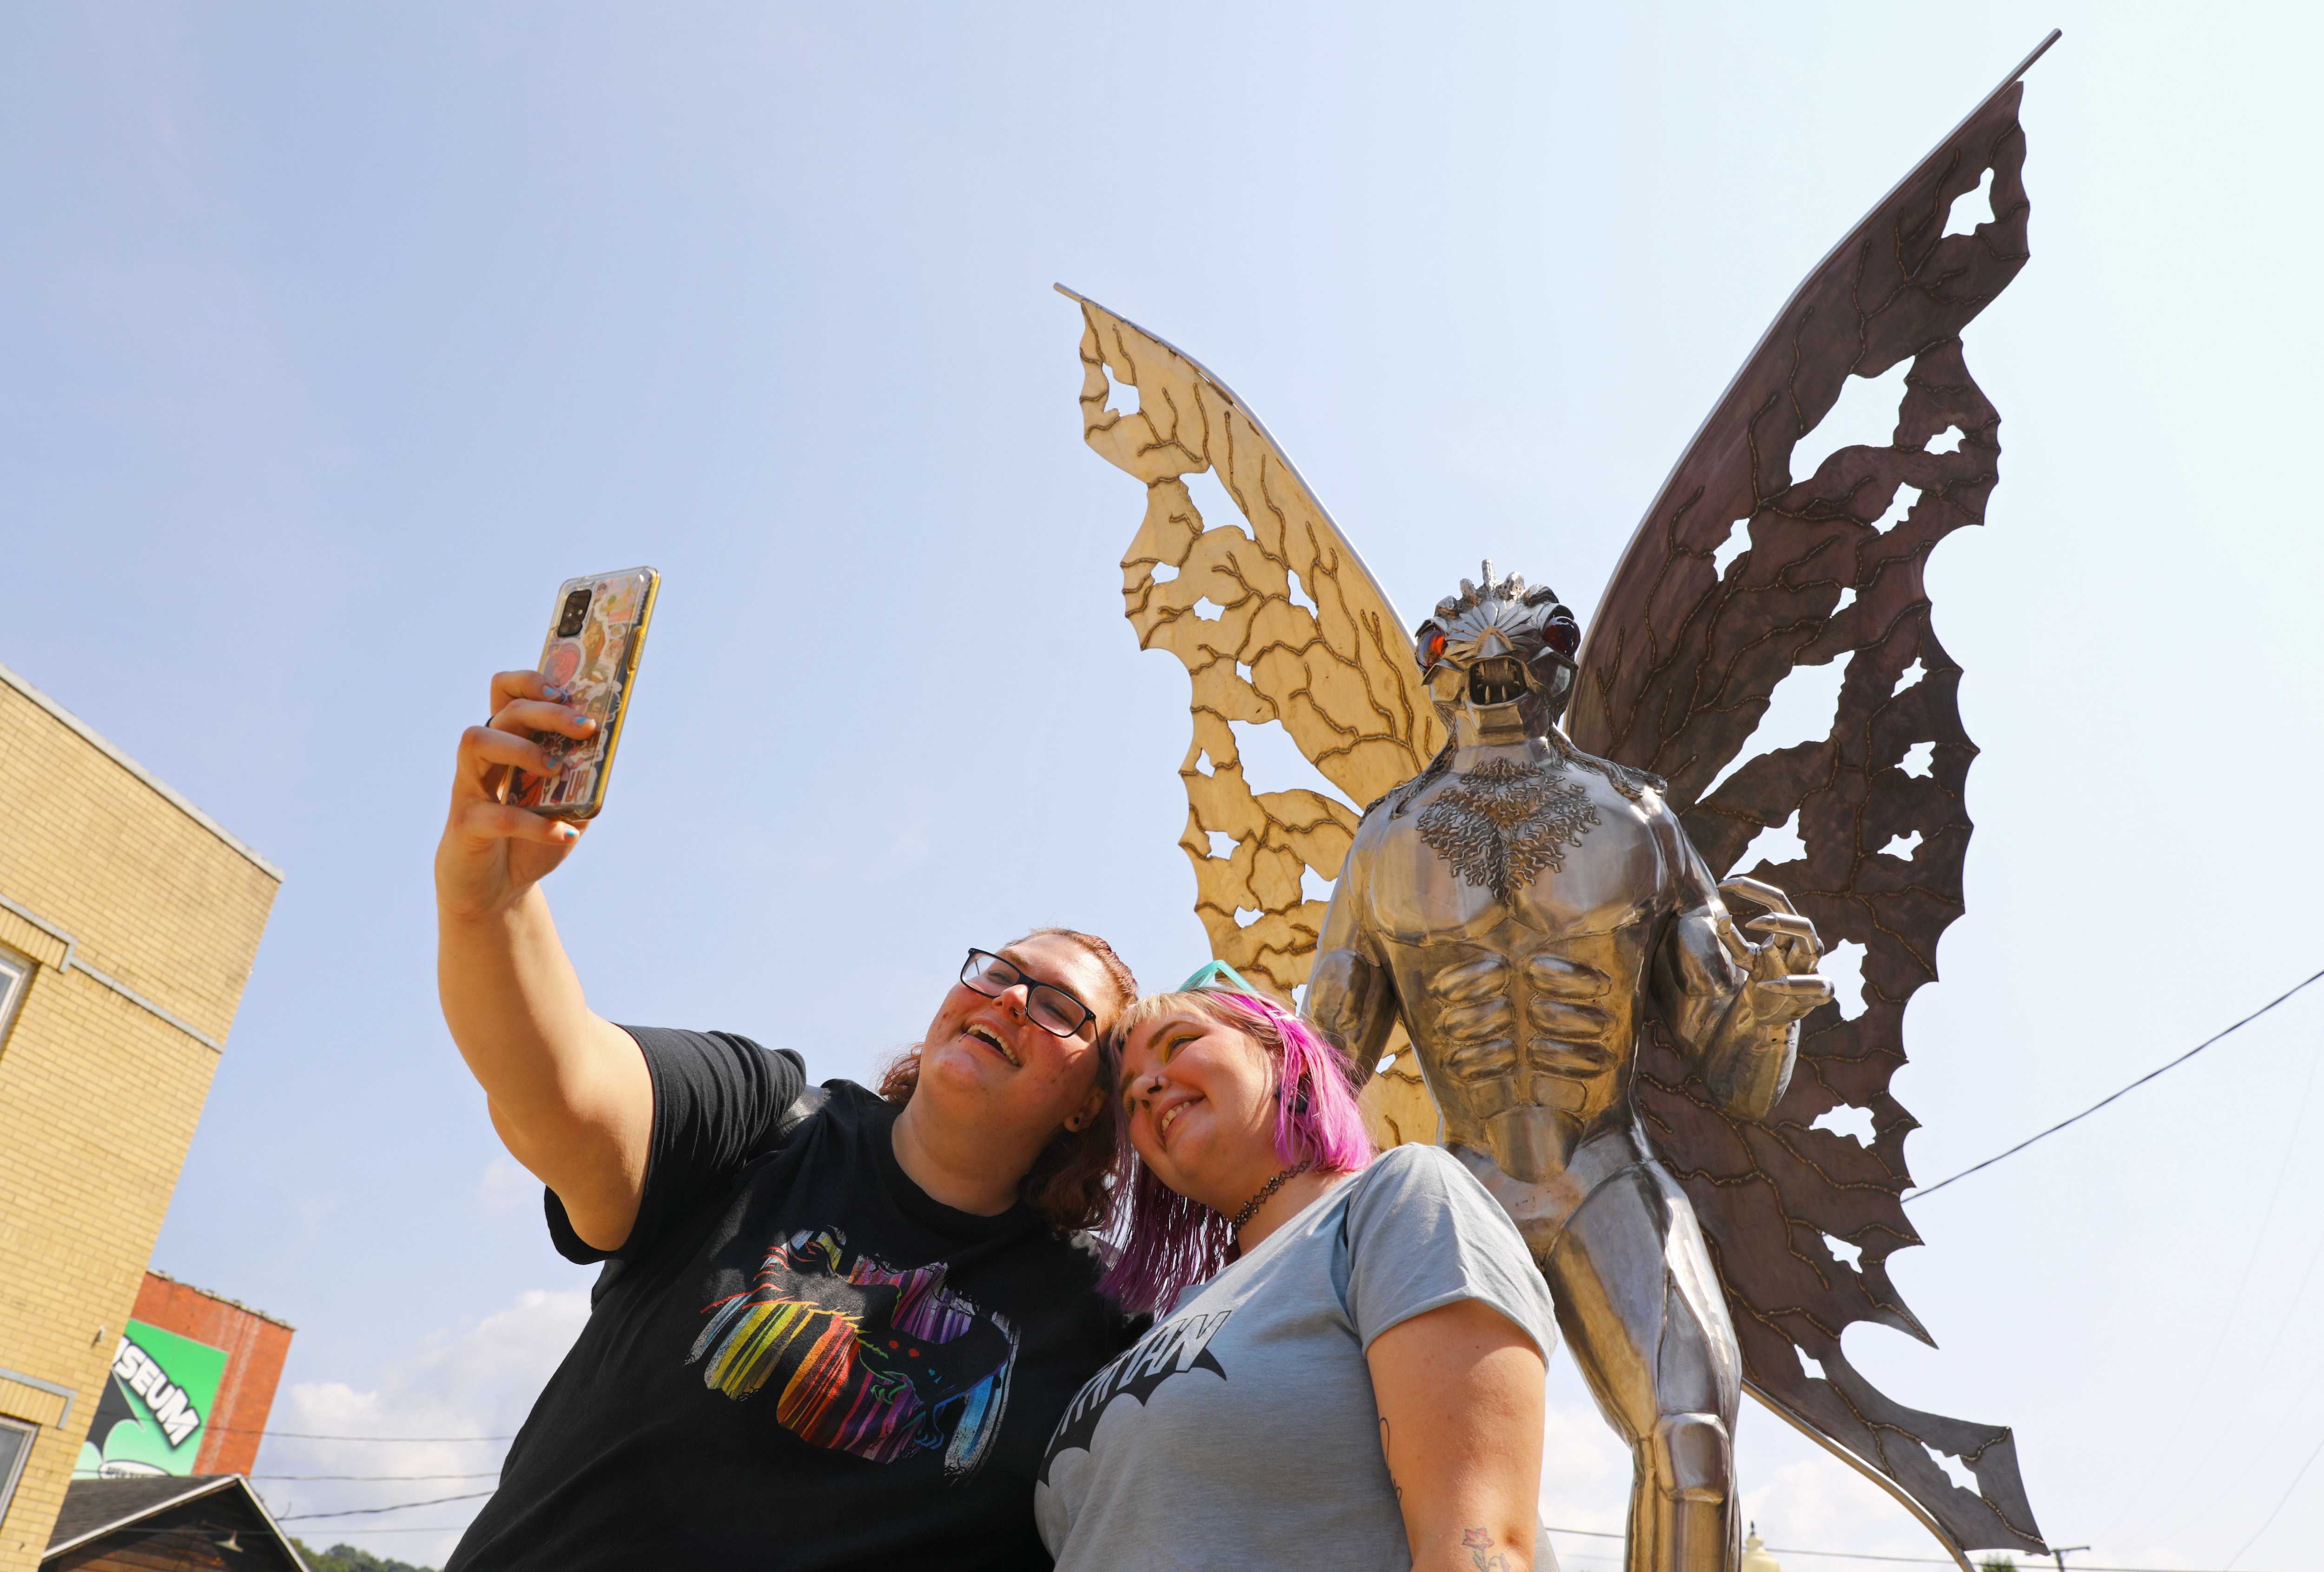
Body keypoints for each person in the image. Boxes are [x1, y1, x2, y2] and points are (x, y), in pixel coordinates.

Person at [434, 668, 1142, 1570]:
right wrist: (488, 905)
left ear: (1093, 1103)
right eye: (997, 973)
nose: (1007, 1001)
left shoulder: (1095, 1329)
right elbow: (558, 1085)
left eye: (1057, 1008)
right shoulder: (764, 1121)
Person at [1036, 963, 1561, 1572]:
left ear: (1286, 1057)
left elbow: (1477, 1545)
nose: (1149, 1087)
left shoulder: (1398, 1199)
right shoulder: (1152, 1327)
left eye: (1180, 1044)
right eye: (1130, 1096)